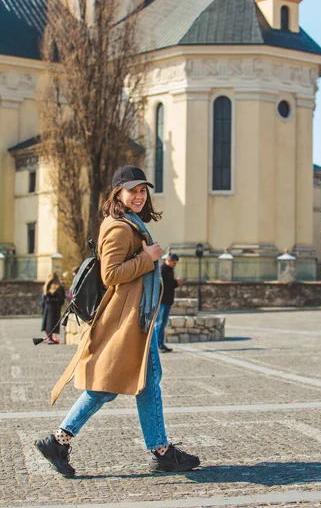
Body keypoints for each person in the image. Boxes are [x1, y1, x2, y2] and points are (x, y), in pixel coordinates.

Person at [34, 165, 200, 478]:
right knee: (120, 384)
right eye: (132, 190)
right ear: (118, 193)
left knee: (134, 383)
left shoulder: (130, 223)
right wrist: (147, 258)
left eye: (142, 190)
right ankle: (158, 452)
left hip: (134, 317)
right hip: (127, 320)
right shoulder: (119, 227)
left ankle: (63, 442)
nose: (138, 196)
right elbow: (110, 274)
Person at [155, 253, 184, 353]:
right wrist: (176, 282)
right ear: (169, 260)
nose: (175, 265)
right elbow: (164, 285)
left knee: (162, 324)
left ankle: (160, 344)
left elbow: (169, 285)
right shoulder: (162, 269)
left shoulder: (169, 270)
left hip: (167, 301)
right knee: (158, 324)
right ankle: (157, 345)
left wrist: (176, 283)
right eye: (174, 263)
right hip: (162, 301)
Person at [41, 272, 65, 344]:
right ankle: (51, 338)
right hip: (55, 307)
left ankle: (49, 337)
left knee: (48, 323)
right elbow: (62, 298)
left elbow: (44, 297)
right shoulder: (59, 286)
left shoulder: (46, 286)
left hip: (48, 306)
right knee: (53, 322)